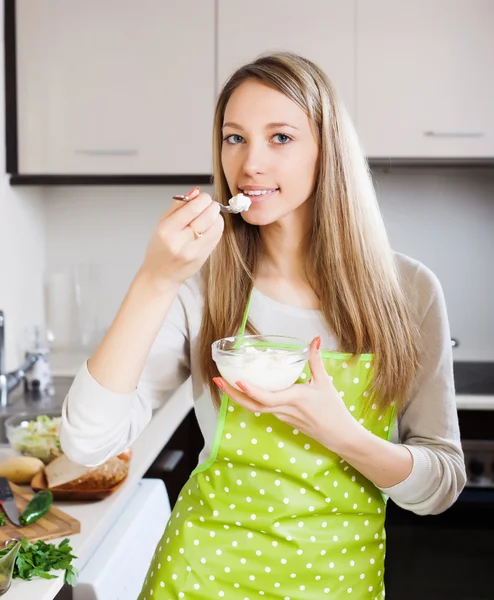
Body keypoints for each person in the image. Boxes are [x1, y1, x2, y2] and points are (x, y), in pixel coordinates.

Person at [60, 52, 466, 599]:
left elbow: (439, 488)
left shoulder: (409, 292)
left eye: (280, 137)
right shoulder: (201, 286)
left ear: (328, 150)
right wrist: (154, 279)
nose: (250, 163)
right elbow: (87, 444)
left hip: (339, 585)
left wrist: (340, 432)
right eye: (234, 138)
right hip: (200, 579)